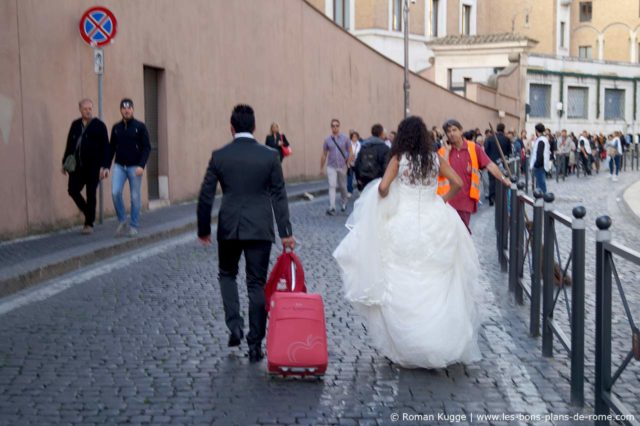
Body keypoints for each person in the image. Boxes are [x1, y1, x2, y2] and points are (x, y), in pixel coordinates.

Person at [333, 115, 483, 369]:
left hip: (403, 222)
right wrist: (441, 200)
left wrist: (389, 194)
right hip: (435, 221)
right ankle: (437, 338)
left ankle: (406, 341)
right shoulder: (435, 159)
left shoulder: (399, 160)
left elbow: (382, 188)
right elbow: (458, 183)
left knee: (402, 280)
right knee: (437, 281)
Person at [197, 104, 295, 363]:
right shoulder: (269, 156)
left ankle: (235, 325)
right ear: (254, 127)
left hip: (229, 226)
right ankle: (255, 344)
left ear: (231, 128)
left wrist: (204, 229)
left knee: (227, 275)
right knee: (256, 284)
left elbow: (206, 195)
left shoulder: (220, 156)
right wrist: (286, 231)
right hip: (260, 228)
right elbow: (279, 194)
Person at [439, 119, 510, 232]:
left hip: (465, 201)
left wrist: (503, 179)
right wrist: (447, 152)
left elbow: (490, 165)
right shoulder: (443, 152)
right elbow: (440, 172)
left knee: (462, 234)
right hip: (447, 202)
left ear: (461, 131)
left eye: (454, 130)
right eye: (448, 131)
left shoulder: (473, 148)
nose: (451, 133)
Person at [62, 98, 111, 234]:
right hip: (77, 166)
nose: (88, 111)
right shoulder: (75, 125)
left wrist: (105, 166)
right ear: (80, 109)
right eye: (85, 109)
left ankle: (89, 224)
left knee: (91, 194)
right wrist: (64, 163)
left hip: (93, 167)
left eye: (90, 108)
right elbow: (69, 144)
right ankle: (88, 212)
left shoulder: (99, 125)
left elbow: (106, 147)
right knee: (72, 190)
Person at [109, 99, 151, 237]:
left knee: (135, 197)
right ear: (121, 110)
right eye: (124, 108)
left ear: (132, 109)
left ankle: (133, 225)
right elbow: (111, 149)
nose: (126, 110)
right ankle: (122, 220)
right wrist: (105, 166)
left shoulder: (140, 126)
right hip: (119, 166)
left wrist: (141, 165)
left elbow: (147, 147)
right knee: (115, 193)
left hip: (135, 167)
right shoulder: (116, 128)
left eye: (129, 108)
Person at [320, 119, 352, 215]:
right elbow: (324, 154)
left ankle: (344, 202)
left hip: (342, 166)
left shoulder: (345, 138)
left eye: (337, 125)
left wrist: (348, 162)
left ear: (339, 126)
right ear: (331, 127)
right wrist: (321, 168)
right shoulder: (327, 140)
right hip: (331, 165)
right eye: (333, 126)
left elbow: (350, 151)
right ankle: (332, 206)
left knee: (342, 186)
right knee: (332, 185)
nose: (335, 127)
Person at [354, 123, 390, 191]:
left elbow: (357, 163)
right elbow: (386, 167)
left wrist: (358, 178)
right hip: (378, 180)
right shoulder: (385, 148)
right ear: (381, 133)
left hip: (364, 178)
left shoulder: (364, 145)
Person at [483, 123, 512, 205]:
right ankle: (501, 197)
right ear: (504, 129)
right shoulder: (506, 139)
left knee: (492, 180)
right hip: (503, 162)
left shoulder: (489, 138)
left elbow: (486, 150)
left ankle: (492, 197)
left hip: (491, 162)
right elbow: (509, 152)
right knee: (502, 178)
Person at [530, 123, 551, 194]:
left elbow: (539, 153)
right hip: (541, 164)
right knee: (540, 183)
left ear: (536, 130)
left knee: (540, 184)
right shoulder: (543, 139)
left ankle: (542, 197)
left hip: (539, 165)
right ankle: (541, 196)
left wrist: (536, 164)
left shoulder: (541, 140)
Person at [346, 130, 361, 196]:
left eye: (356, 137)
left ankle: (360, 189)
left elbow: (361, 153)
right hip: (350, 163)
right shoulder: (348, 144)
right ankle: (349, 191)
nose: (354, 138)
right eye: (353, 136)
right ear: (351, 137)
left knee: (359, 177)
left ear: (357, 137)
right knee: (350, 178)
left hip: (358, 163)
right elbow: (346, 152)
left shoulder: (360, 144)